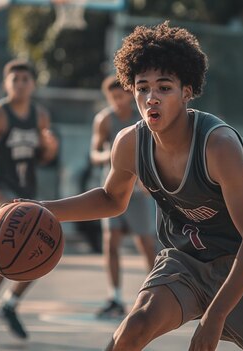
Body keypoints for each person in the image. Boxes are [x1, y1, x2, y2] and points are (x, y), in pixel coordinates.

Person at [22, 22, 243, 350]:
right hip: (187, 260)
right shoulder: (129, 144)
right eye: (142, 88)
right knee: (134, 327)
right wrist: (42, 209)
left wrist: (214, 316)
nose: (151, 98)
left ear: (186, 91)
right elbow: (111, 199)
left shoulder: (217, 146)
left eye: (164, 88)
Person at [0, 59, 58, 344]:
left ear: (33, 84)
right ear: (6, 84)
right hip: (2, 188)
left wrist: (50, 149)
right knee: (7, 245)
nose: (20, 84)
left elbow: (43, 159)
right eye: (14, 79)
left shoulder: (40, 116)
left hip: (27, 189)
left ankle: (9, 305)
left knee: (42, 246)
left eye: (25, 79)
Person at [90, 75, 157, 318]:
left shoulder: (142, 118)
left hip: (137, 191)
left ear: (129, 94)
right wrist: (111, 154)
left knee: (146, 242)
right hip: (111, 189)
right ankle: (115, 297)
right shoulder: (105, 120)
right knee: (111, 241)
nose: (118, 101)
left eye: (121, 95)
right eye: (113, 97)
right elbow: (94, 154)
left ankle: (156, 293)